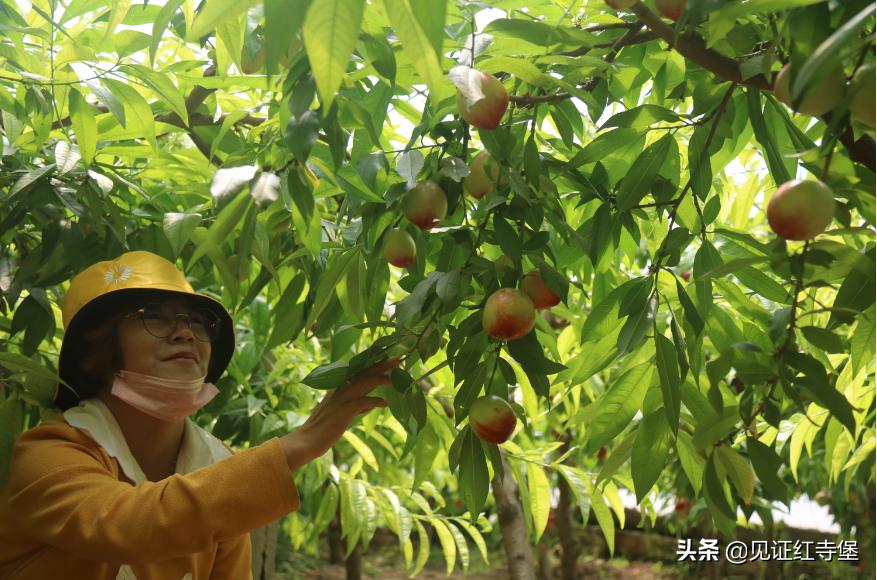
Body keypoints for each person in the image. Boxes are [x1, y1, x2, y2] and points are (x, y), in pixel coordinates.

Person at [0, 250, 395, 579]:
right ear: (94, 354)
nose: (185, 332)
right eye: (152, 315)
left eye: (196, 321)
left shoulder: (217, 468)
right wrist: (300, 443)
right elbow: (124, 526)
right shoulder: (50, 453)